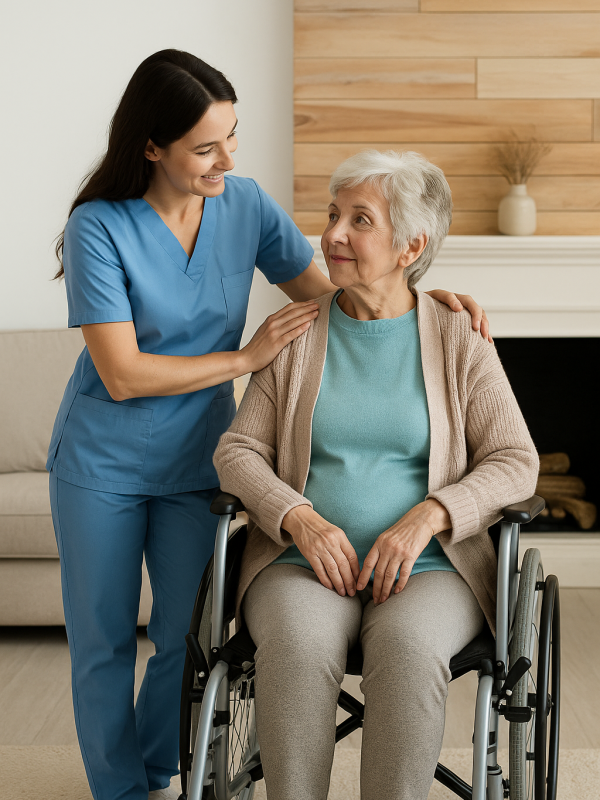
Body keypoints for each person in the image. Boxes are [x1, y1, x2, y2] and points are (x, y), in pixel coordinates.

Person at [47, 49, 491, 800]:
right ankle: (119, 792)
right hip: (103, 461)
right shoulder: (99, 226)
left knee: (184, 643)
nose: (227, 158)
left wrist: (424, 291)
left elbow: (342, 289)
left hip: (199, 463)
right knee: (103, 642)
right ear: (151, 147)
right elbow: (120, 373)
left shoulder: (244, 205)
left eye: (233, 136)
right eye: (205, 147)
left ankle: (159, 769)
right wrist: (245, 356)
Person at [213, 150, 539, 800]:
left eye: (359, 220)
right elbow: (237, 452)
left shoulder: (456, 336)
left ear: (409, 245)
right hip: (299, 561)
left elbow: (516, 461)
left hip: (430, 568)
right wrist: (298, 518)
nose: (332, 234)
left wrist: (430, 516)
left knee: (411, 652)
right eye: (333, 214)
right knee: (299, 650)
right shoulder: (297, 335)